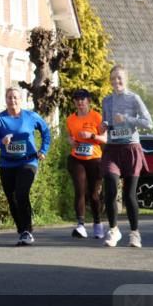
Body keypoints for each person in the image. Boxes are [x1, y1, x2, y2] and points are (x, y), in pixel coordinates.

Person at [0, 87, 51, 246]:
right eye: (9, 97)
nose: (12, 100)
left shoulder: (31, 116)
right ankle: (22, 230)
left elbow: (46, 132)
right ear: (5, 100)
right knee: (12, 198)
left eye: (15, 97)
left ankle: (28, 231)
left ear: (20, 100)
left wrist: (43, 150)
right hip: (6, 164)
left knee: (22, 193)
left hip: (28, 162)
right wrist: (1, 142)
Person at [98, 65, 153, 248]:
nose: (116, 82)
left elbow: (148, 123)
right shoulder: (106, 100)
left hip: (131, 148)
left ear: (126, 79)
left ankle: (134, 233)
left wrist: (128, 119)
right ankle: (113, 230)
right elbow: (106, 121)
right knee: (111, 189)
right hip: (112, 149)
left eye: (119, 78)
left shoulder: (134, 98)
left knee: (130, 195)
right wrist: (104, 125)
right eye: (113, 78)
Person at [65, 89, 107, 239]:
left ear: (88, 101)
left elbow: (105, 139)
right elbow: (69, 137)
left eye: (83, 99)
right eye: (77, 99)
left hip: (94, 159)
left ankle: (97, 222)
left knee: (94, 195)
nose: (80, 102)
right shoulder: (70, 119)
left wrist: (92, 135)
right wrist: (71, 141)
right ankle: (81, 225)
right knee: (79, 190)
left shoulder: (97, 117)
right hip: (77, 158)